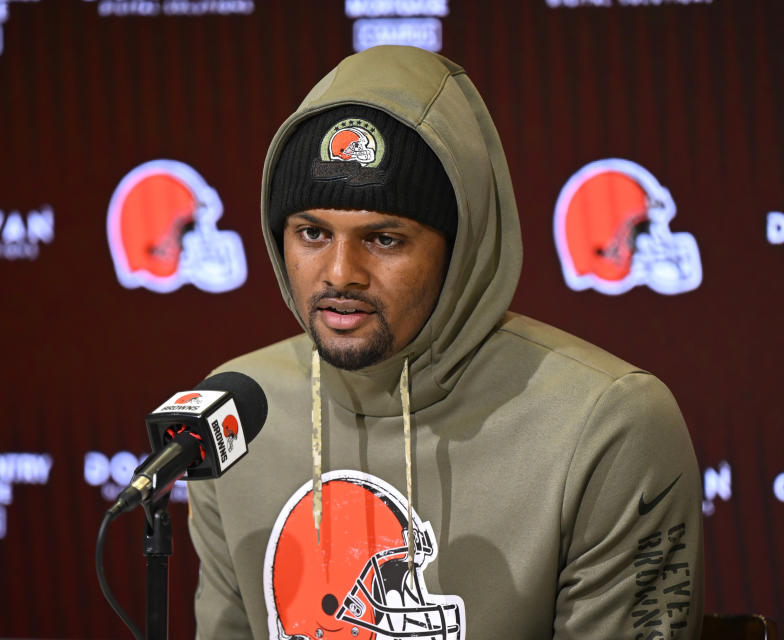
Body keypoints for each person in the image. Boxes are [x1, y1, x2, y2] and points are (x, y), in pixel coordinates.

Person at [187, 45, 703, 640]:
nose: (338, 273)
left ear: (461, 250)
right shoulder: (236, 413)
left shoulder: (610, 426)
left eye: (383, 239)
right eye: (312, 233)